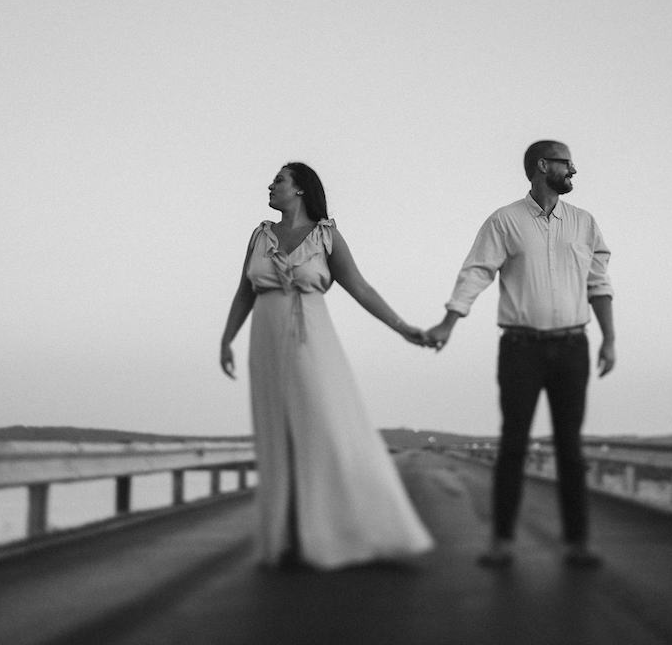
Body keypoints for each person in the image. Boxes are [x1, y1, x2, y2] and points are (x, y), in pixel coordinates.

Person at [220, 162, 435, 570]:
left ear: (300, 189)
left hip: (311, 341)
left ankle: (350, 528)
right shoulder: (259, 235)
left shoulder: (326, 236)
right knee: (276, 435)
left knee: (326, 427)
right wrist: (226, 339)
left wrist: (403, 328)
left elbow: (362, 288)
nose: (270, 184)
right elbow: (243, 293)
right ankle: (288, 536)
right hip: (264, 340)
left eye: (279, 180)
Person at [426, 140, 616, 568]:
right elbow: (476, 272)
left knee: (571, 447)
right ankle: (502, 542)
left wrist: (609, 338)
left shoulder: (584, 224)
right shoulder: (504, 221)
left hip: (572, 347)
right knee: (513, 443)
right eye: (567, 163)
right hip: (521, 349)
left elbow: (599, 283)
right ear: (543, 165)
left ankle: (578, 543)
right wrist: (449, 321)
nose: (574, 170)